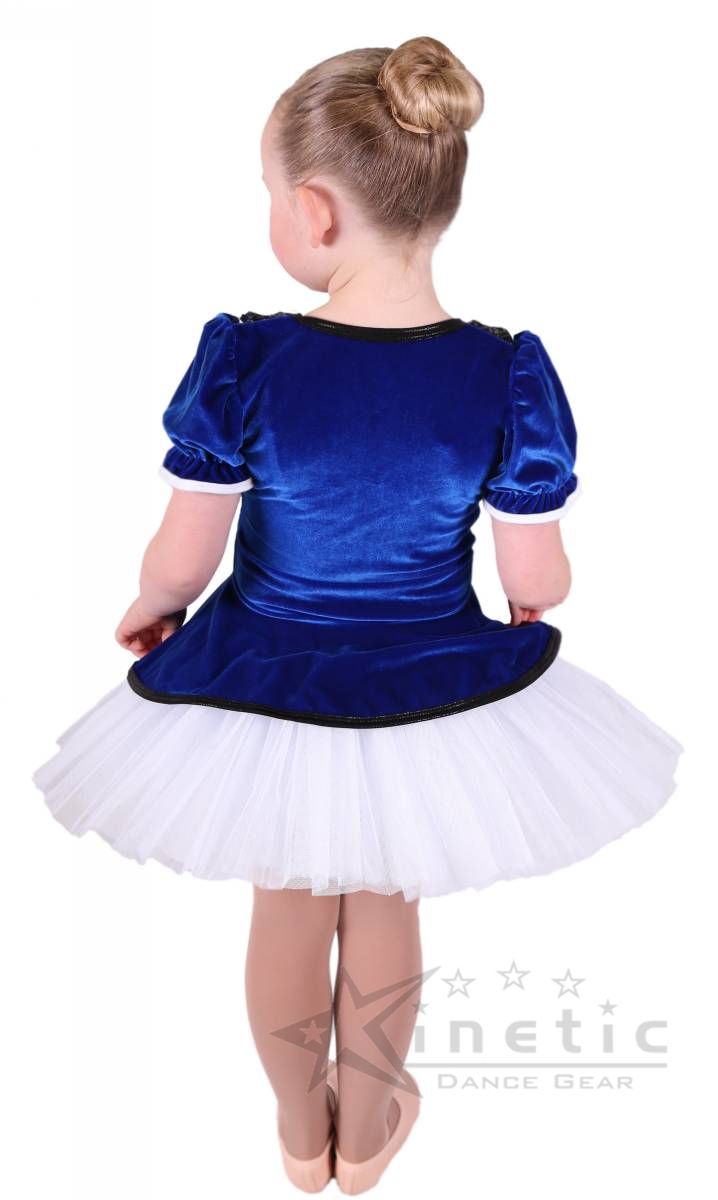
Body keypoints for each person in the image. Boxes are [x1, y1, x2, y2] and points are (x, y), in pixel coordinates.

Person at [32, 35, 684, 1195]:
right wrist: (530, 607)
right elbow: (538, 574)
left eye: (267, 194)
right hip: (424, 674)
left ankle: (301, 1127)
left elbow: (186, 548)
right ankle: (372, 1119)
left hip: (265, 672)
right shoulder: (504, 372)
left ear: (315, 211)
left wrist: (155, 603)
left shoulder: (246, 359)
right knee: (385, 895)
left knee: (287, 907)